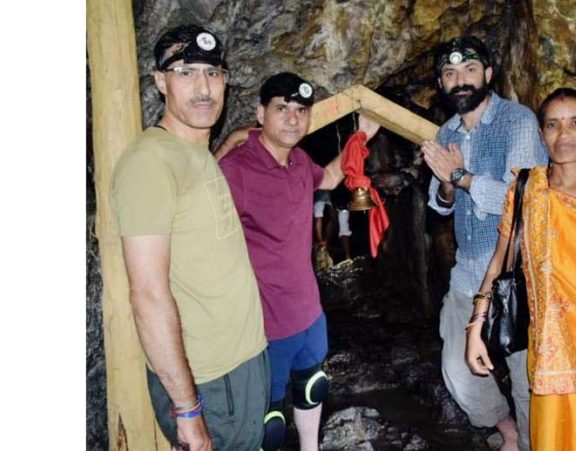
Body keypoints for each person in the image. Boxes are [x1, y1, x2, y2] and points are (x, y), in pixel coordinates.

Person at [111, 25, 269, 451]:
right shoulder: (149, 164)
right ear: (161, 82)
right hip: (210, 383)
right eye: (185, 72)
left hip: (241, 365)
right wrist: (187, 410)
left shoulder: (195, 153)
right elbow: (147, 294)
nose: (203, 87)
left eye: (212, 72)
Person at [218, 72, 379, 451]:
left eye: (301, 110)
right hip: (264, 324)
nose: (293, 118)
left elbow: (330, 177)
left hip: (308, 312)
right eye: (281, 108)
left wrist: (363, 135)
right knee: (269, 420)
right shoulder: (236, 170)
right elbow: (193, 218)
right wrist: (229, 141)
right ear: (260, 114)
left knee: (313, 386)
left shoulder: (300, 161)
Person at [466, 87, 576, 451]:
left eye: (575, 123)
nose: (564, 135)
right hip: (550, 354)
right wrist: (476, 325)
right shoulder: (527, 189)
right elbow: (499, 260)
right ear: (541, 133)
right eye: (553, 125)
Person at [421, 36, 547, 451]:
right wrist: (446, 186)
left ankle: (530, 442)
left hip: (516, 273)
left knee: (526, 373)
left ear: (488, 75)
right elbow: (439, 206)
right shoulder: (446, 131)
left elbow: (522, 199)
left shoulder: (518, 121)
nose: (461, 80)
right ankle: (507, 430)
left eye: (469, 70)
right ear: (441, 83)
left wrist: (461, 178)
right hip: (468, 271)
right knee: (459, 367)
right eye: (450, 73)